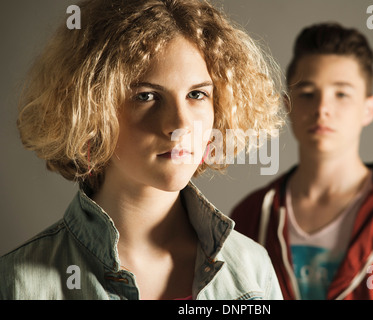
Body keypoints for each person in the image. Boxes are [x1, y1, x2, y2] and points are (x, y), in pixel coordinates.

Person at [0, 0, 284, 300]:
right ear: (92, 111)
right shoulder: (21, 283)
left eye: (197, 94)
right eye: (147, 96)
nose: (179, 124)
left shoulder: (252, 272)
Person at [231, 22, 373, 300]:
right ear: (287, 105)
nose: (323, 109)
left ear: (368, 109)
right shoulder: (251, 218)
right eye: (308, 94)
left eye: (342, 94)